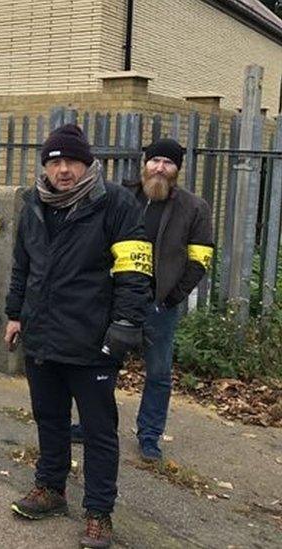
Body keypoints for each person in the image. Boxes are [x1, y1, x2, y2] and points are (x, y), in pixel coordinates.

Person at [4, 124, 152, 548]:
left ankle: (99, 512)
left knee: (99, 432)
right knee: (49, 419)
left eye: (71, 161)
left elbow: (134, 271)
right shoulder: (35, 202)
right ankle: (51, 489)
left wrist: (125, 325)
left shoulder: (116, 204)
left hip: (93, 339)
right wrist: (15, 314)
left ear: (87, 164)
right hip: (43, 335)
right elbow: (21, 266)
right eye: (55, 161)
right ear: (45, 166)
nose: (63, 170)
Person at [71, 139, 213, 462]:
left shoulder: (194, 208)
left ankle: (149, 435)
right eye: (155, 161)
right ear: (144, 163)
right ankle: (93, 425)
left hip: (159, 307)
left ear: (178, 169)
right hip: (114, 300)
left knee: (159, 372)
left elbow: (200, 260)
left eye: (168, 163)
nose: (160, 168)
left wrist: (170, 298)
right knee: (101, 365)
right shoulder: (120, 197)